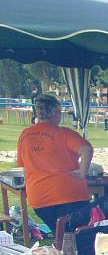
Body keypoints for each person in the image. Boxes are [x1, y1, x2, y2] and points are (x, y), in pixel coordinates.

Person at [16, 95, 93, 231]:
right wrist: (82, 172)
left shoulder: (25, 135)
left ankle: (62, 249)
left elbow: (24, 168)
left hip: (39, 197)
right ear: (57, 112)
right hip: (69, 194)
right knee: (77, 236)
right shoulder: (64, 134)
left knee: (61, 234)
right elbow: (86, 149)